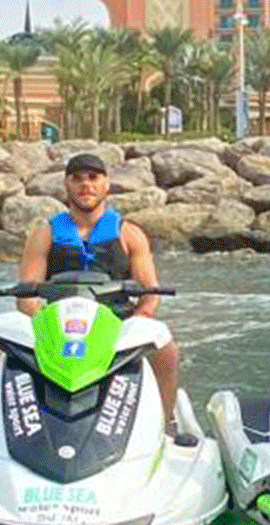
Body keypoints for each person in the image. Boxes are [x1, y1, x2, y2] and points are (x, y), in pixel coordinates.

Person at [16, 154, 182, 431]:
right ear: (66, 185)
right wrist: (40, 321)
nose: (86, 185)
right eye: (77, 178)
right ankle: (8, 424)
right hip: (56, 322)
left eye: (93, 178)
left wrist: (138, 320)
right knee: (1, 354)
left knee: (166, 350)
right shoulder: (44, 234)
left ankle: (166, 422)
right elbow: (26, 294)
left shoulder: (129, 234)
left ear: (107, 185)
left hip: (116, 322)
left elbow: (150, 292)